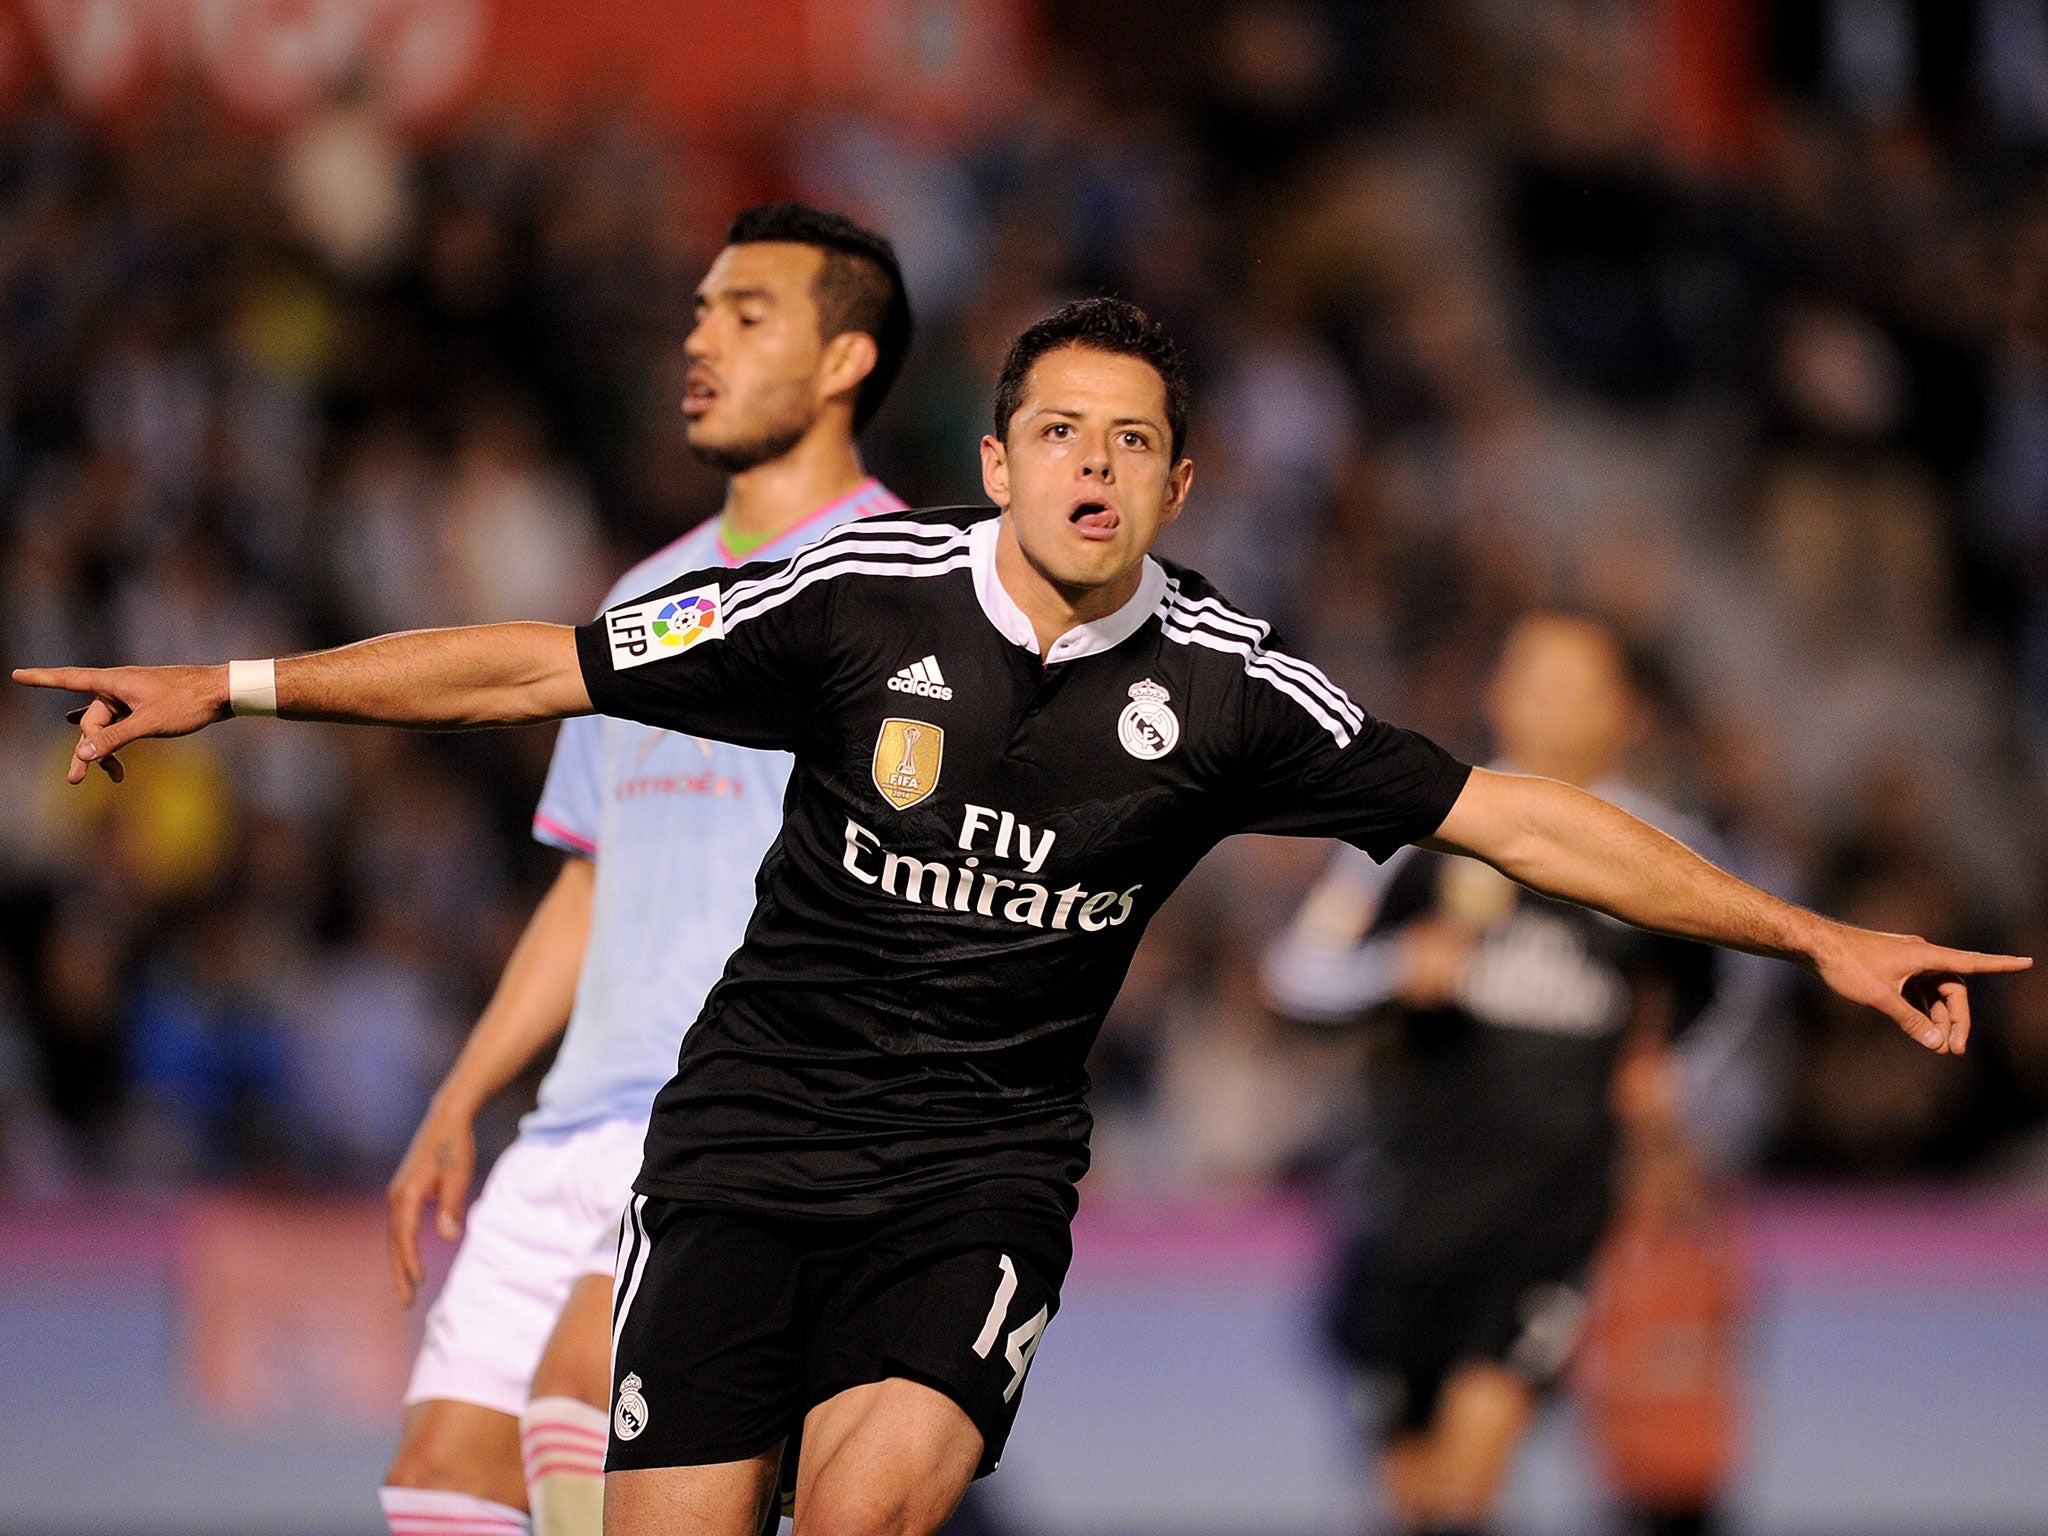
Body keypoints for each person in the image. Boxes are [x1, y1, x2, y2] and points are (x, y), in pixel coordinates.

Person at [17, 298, 2024, 1536]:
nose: (1092, 463)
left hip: (971, 1178)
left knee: (872, 1507)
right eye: (1057, 429)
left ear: (1172, 486)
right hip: (741, 1150)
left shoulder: (1231, 693)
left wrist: (1810, 936)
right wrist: (240, 684)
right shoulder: (841, 602)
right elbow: (535, 666)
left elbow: (1518, 816)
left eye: (1132, 439)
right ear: (993, 462)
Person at [382, 203, 912, 1536]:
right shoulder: (645, 603)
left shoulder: (914, 584)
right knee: (441, 1483)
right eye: (696, 314)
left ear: (846, 360)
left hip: (733, 1124)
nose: (699, 339)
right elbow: (587, 880)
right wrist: (465, 1088)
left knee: (581, 1392)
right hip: (571, 1124)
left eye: (747, 315)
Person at [1262, 611, 1728, 1536]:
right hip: (1405, 1211)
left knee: (1471, 1481)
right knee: (1418, 1500)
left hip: (1549, 1215)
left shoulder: (1659, 857)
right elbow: (1296, 980)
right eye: (1533, 680)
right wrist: (1398, 970)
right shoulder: (1422, 825)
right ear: (1497, 693)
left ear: (1625, 714)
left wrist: (1662, 1087)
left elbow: (1720, 997)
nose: (1550, 706)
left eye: (1577, 686)